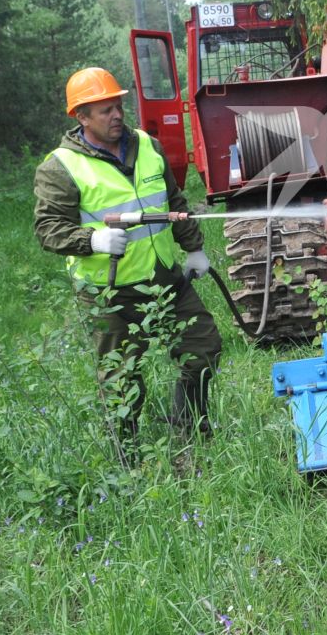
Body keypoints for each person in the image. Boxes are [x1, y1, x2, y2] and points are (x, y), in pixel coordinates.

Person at [33, 67, 222, 447]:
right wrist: (94, 241)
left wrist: (195, 249)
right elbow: (47, 230)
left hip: (164, 279)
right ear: (81, 117)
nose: (116, 115)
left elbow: (173, 203)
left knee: (203, 348)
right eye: (104, 110)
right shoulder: (60, 167)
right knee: (121, 381)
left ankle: (188, 430)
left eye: (118, 106)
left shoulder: (147, 146)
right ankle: (128, 458)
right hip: (108, 291)